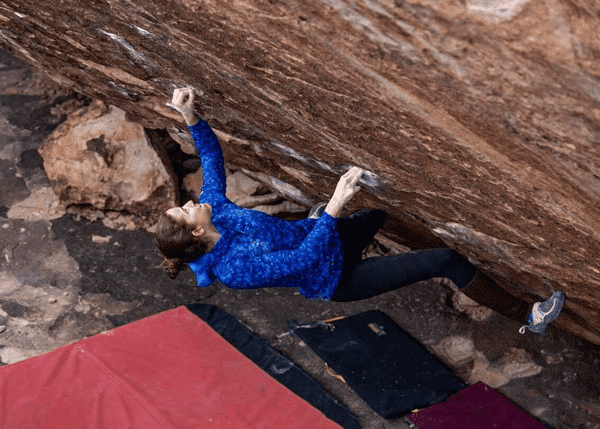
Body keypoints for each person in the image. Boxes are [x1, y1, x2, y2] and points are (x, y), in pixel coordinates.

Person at [155, 87, 564, 335]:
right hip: (337, 276)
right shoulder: (233, 272)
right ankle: (528, 314)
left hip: (325, 236)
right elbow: (302, 260)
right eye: (186, 212)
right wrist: (333, 205)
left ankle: (330, 223)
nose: (192, 203)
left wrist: (190, 117)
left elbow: (210, 161)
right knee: (445, 259)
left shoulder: (219, 211)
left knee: (377, 218)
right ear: (195, 234)